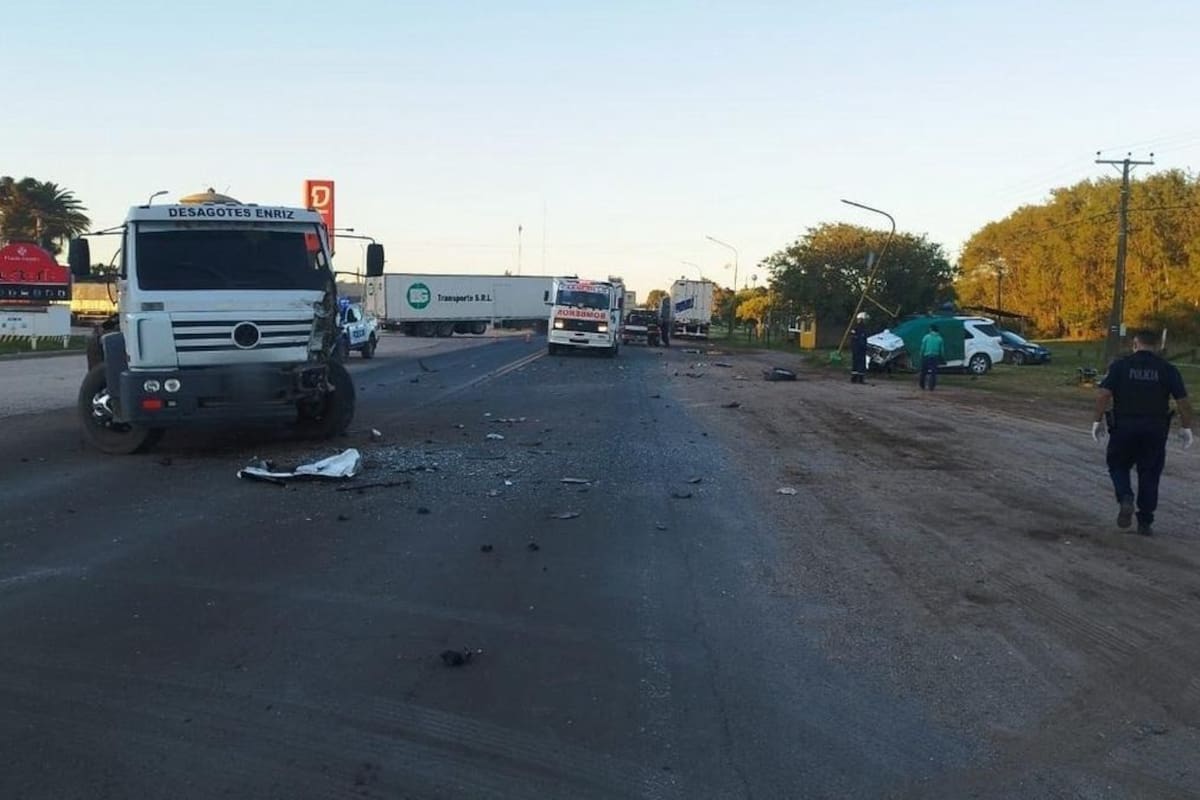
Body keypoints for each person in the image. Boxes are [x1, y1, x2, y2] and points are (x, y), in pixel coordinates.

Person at [1092, 329, 1194, 535]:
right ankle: (1145, 521)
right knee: (1150, 473)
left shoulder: (1121, 366)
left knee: (1118, 465)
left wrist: (1097, 420)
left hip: (1124, 427)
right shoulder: (1167, 369)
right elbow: (1182, 401)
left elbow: (1103, 394)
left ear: (1135, 344)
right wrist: (1186, 427)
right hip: (1155, 429)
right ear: (1156, 346)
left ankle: (1125, 496)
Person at [918, 324, 945, 390]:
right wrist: (942, 358)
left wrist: (921, 355)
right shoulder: (940, 339)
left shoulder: (926, 337)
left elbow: (923, 347)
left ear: (931, 329)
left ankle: (922, 385)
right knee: (933, 372)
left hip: (926, 356)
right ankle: (931, 386)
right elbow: (942, 350)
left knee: (924, 371)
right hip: (935, 356)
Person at [849, 312, 869, 384]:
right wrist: (864, 346)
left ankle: (854, 378)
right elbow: (860, 338)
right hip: (859, 348)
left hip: (855, 348)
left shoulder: (856, 328)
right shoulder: (860, 328)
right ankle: (859, 379)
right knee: (860, 363)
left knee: (856, 362)